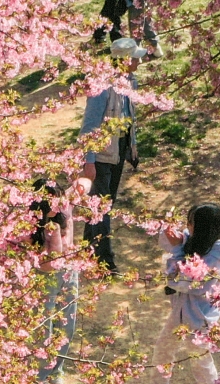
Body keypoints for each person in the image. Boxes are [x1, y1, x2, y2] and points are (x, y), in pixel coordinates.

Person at [136, 202, 220, 384]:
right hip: (182, 312)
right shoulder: (201, 241)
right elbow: (177, 243)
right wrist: (172, 237)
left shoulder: (214, 262)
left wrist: (177, 249)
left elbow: (179, 279)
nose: (187, 227)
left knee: (200, 363)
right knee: (164, 346)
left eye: (190, 223)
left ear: (202, 228)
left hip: (199, 321)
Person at [76, 39, 146, 274]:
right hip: (102, 155)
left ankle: (88, 248)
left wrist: (132, 148)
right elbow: (90, 126)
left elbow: (130, 120)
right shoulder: (102, 87)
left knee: (101, 206)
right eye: (135, 57)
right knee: (102, 208)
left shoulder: (129, 81)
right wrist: (89, 160)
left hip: (117, 151)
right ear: (124, 60)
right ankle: (105, 261)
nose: (139, 60)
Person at [34, 177, 78, 384]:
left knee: (66, 324)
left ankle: (56, 371)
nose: (57, 206)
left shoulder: (65, 213)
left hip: (67, 272)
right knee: (43, 328)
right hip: (42, 275)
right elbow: (48, 263)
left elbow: (66, 249)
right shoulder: (28, 224)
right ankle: (37, 379)